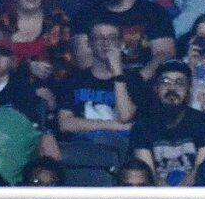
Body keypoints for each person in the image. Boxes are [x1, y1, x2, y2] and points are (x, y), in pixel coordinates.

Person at [75, 0, 177, 81]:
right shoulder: (85, 15)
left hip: (143, 87)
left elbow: (165, 54)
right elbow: (85, 60)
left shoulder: (155, 12)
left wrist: (138, 80)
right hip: (100, 88)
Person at [56, 20, 144, 152]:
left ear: (121, 44)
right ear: (90, 44)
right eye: (98, 38)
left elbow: (125, 116)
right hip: (83, 150)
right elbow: (65, 124)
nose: (105, 43)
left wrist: (118, 74)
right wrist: (113, 126)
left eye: (112, 38)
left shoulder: (134, 80)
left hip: (122, 151)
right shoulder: (74, 79)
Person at [130, 60, 205, 186]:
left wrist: (177, 198)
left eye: (180, 83)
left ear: (189, 89)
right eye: (165, 82)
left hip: (195, 198)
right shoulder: (141, 126)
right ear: (156, 88)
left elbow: (200, 171)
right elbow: (147, 173)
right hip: (155, 198)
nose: (172, 88)